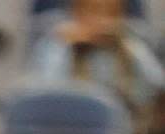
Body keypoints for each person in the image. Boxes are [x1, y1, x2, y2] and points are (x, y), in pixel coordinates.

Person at [30, 0, 165, 119]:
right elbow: (46, 89)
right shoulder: (57, 43)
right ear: (76, 12)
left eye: (109, 13)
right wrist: (63, 44)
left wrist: (128, 45)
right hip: (69, 119)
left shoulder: (129, 45)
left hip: (122, 124)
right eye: (91, 11)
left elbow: (157, 86)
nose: (100, 21)